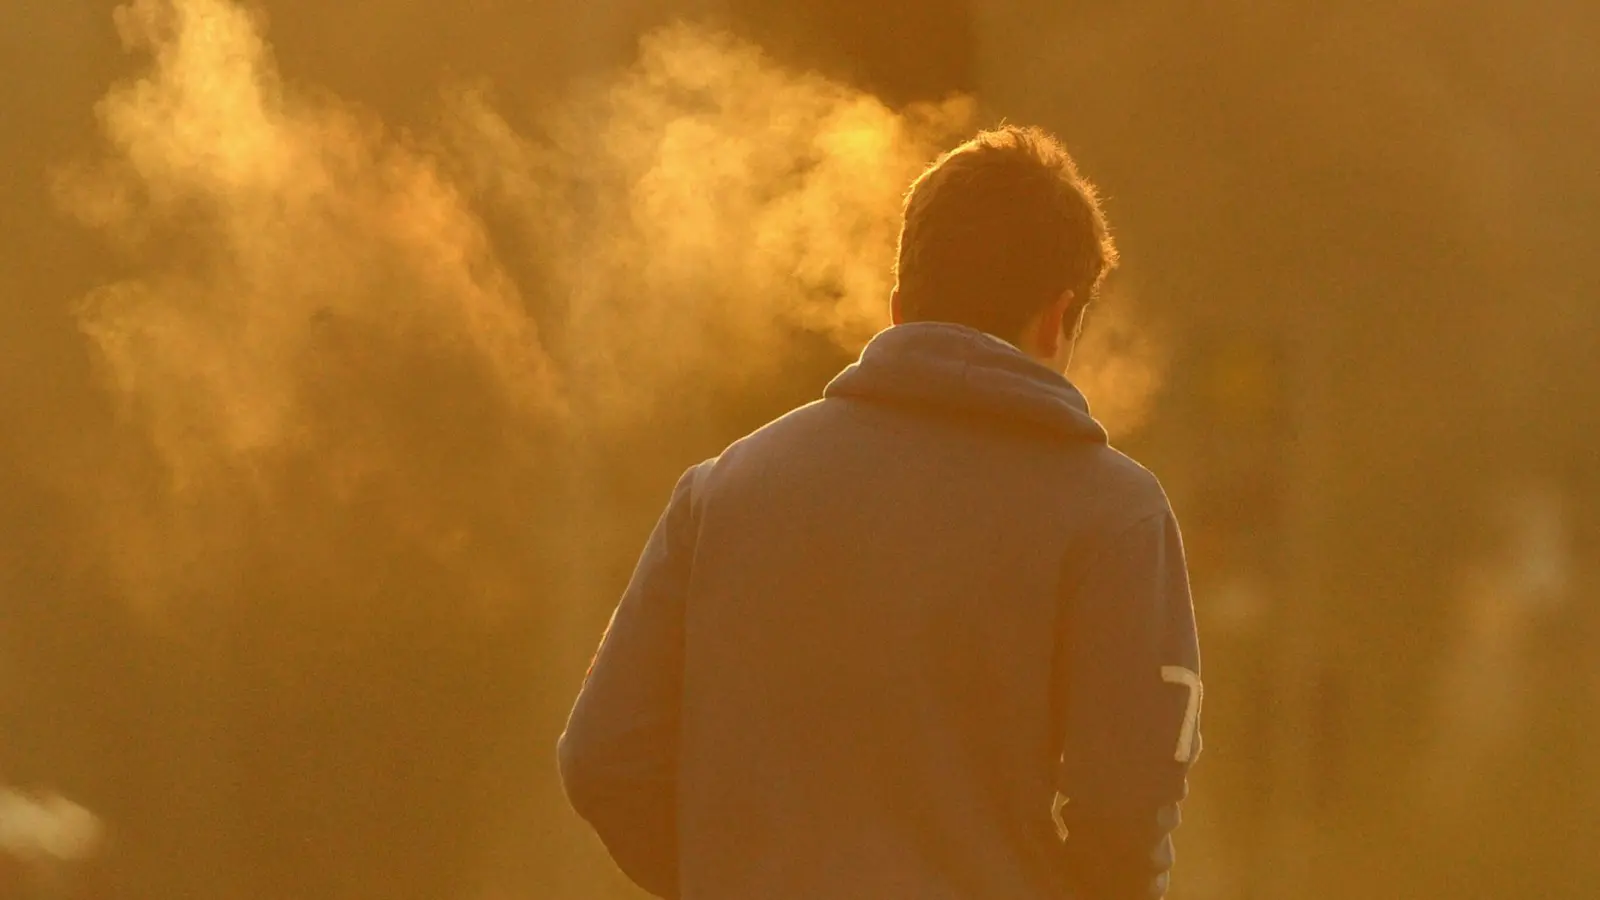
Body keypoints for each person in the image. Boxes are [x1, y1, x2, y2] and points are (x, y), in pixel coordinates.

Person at [559, 125, 1202, 900]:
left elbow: (601, 757)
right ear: (1057, 317)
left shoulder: (723, 491)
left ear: (898, 307)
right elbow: (1127, 814)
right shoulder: (1115, 515)